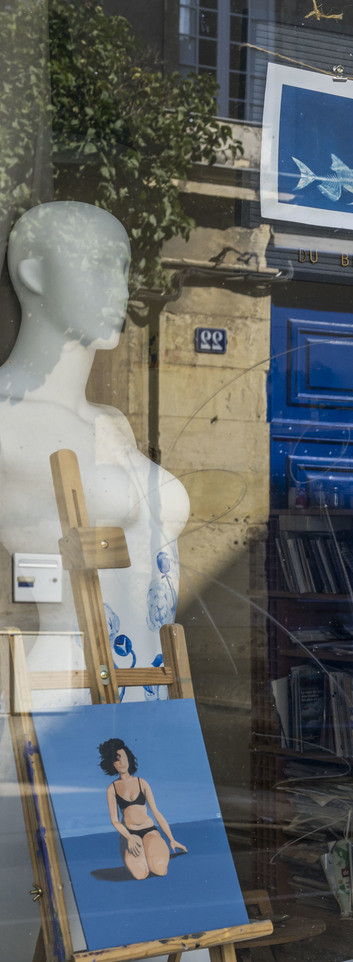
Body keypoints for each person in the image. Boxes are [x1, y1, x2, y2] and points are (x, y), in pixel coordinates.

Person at [0, 203, 190, 703]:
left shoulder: (110, 423)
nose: (119, 288)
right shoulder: (5, 416)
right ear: (34, 274)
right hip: (61, 693)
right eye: (99, 264)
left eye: (123, 270)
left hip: (152, 688)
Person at [100, 738, 185, 879]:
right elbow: (114, 821)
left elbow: (156, 812)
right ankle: (141, 853)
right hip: (130, 834)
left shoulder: (142, 783)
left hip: (150, 831)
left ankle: (152, 850)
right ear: (112, 764)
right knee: (141, 874)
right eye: (116, 760)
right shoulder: (112, 789)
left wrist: (172, 839)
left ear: (128, 757)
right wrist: (129, 838)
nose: (121, 763)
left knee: (160, 870)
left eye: (123, 758)